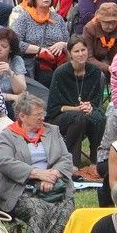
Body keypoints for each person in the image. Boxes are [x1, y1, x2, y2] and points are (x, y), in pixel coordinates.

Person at [0, 93, 74, 233]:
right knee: (40, 210)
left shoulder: (52, 131)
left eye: (43, 113)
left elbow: (66, 158)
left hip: (52, 185)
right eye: (38, 115)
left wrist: (52, 175)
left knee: (66, 207)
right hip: (20, 189)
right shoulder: (7, 136)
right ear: (22, 116)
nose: (42, 118)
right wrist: (37, 173)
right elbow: (4, 162)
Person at [46, 35, 107, 172]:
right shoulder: (61, 73)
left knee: (99, 118)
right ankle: (72, 161)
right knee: (78, 119)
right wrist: (77, 109)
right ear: (70, 54)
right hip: (62, 115)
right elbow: (54, 107)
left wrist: (90, 107)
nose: (81, 54)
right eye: (76, 51)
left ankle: (95, 159)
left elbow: (96, 100)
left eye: (83, 50)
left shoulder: (94, 71)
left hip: (85, 111)